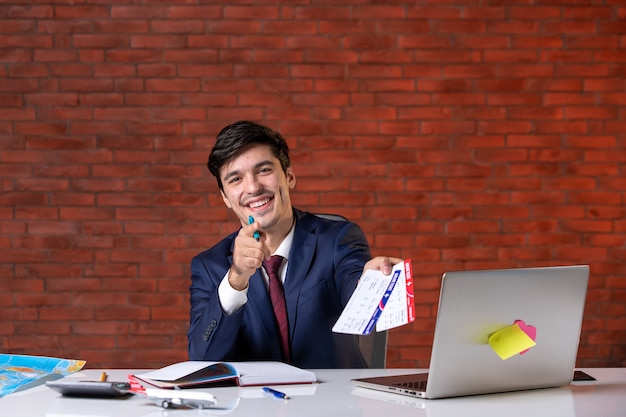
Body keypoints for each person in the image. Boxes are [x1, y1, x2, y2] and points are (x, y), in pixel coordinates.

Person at [188, 120, 402, 368]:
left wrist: (371, 284)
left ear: (289, 176)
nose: (253, 187)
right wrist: (236, 280)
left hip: (335, 401)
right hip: (255, 405)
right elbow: (202, 359)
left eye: (263, 170)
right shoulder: (209, 266)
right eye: (235, 179)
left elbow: (355, 291)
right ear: (225, 197)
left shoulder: (338, 238)